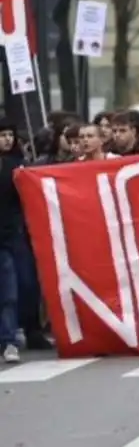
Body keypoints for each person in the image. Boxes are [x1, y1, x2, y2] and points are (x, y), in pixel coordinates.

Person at [0, 118, 24, 363]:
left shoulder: (16, 167)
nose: (7, 139)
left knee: (8, 293)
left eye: (9, 134)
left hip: (6, 239)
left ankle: (9, 340)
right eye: (2, 134)